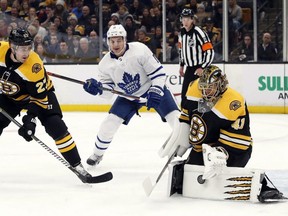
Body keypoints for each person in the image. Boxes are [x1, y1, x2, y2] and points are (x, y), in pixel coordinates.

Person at [159, 65, 284, 201]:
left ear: (220, 85)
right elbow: (187, 114)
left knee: (217, 172)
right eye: (203, 87)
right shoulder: (194, 87)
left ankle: (262, 186)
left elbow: (241, 142)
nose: (205, 91)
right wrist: (181, 134)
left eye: (210, 88)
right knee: (188, 176)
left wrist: (220, 153)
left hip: (235, 149)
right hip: (207, 145)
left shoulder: (233, 101)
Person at [0, 28, 91, 180]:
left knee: (56, 126)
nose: (26, 53)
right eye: (23, 48)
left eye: (29, 48)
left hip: (40, 96)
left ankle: (77, 165)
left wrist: (30, 120)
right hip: (11, 96)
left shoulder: (34, 66)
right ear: (12, 46)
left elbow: (39, 97)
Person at [83, 24, 180, 166]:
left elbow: (158, 73)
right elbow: (108, 92)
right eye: (112, 41)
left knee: (176, 119)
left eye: (119, 40)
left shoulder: (140, 50)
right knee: (109, 123)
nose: (116, 44)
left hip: (151, 89)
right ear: (108, 42)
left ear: (125, 40)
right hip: (127, 97)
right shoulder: (104, 64)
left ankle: (188, 147)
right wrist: (98, 89)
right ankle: (97, 154)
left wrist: (156, 91)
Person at [178, 8, 214, 108]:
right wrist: (181, 66)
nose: (185, 21)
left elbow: (209, 51)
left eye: (188, 19)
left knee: (200, 95)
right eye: (183, 19)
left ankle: (202, 118)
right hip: (189, 68)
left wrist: (202, 67)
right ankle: (186, 117)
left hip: (200, 68)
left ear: (192, 19)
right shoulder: (181, 33)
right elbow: (181, 51)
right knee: (185, 95)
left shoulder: (199, 33)